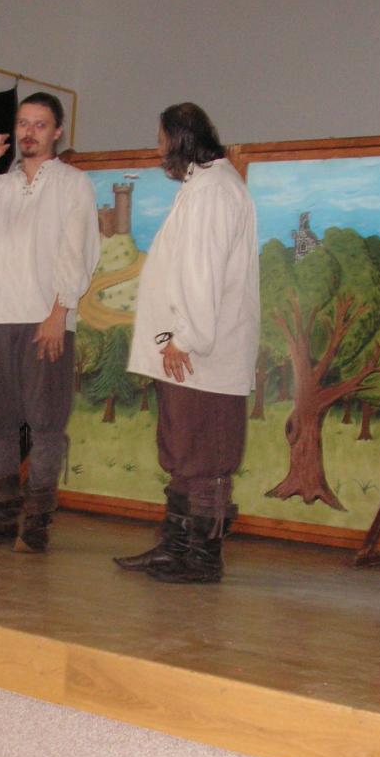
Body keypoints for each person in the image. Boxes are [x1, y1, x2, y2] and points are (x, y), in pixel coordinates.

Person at [114, 103, 259, 583]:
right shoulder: (202, 187)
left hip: (201, 355)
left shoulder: (213, 192)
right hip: (184, 351)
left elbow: (202, 274)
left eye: (161, 140)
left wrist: (186, 338)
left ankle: (202, 557)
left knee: (206, 458)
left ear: (179, 139)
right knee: (182, 454)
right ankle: (174, 549)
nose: (158, 150)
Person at [0, 92, 99, 553]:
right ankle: (1, 516)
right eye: (23, 123)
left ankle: (37, 523)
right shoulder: (1, 185)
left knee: (46, 424)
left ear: (57, 132)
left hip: (45, 319)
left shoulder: (73, 183)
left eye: (40, 124)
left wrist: (58, 312)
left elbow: (79, 251)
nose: (29, 132)